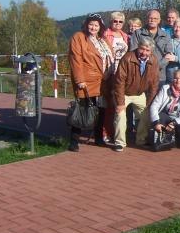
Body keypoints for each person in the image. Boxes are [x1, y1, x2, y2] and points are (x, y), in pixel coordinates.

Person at [68, 13, 114, 152]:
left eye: (96, 25)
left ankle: (99, 138)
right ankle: (74, 141)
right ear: (86, 25)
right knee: (82, 111)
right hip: (87, 81)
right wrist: (79, 80)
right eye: (91, 24)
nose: (93, 27)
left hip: (103, 81)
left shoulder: (103, 40)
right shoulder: (79, 37)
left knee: (100, 111)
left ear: (100, 27)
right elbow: (76, 59)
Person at [113, 36, 160, 151]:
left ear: (151, 51)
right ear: (138, 47)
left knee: (147, 115)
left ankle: (141, 140)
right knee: (120, 116)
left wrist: (150, 104)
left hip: (139, 94)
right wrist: (120, 103)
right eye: (142, 49)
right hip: (124, 93)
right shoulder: (128, 58)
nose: (144, 52)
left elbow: (154, 84)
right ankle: (119, 142)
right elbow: (119, 81)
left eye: (147, 50)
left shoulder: (153, 61)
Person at [102, 11, 130, 143]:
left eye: (120, 22)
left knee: (119, 105)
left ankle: (116, 133)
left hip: (122, 74)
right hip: (109, 73)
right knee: (109, 105)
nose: (117, 24)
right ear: (110, 22)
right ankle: (105, 132)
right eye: (115, 21)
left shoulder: (126, 36)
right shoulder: (105, 35)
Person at [149, 69, 180, 149]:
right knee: (160, 116)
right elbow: (154, 106)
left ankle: (173, 137)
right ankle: (162, 138)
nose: (178, 81)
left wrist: (174, 123)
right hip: (166, 116)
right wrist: (156, 122)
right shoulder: (165, 88)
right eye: (176, 78)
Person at [130, 9, 173, 84]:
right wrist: (145, 66)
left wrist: (155, 66)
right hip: (141, 74)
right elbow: (133, 52)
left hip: (159, 76)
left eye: (155, 18)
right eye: (150, 18)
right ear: (147, 19)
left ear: (159, 20)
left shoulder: (165, 36)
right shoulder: (138, 33)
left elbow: (168, 55)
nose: (152, 20)